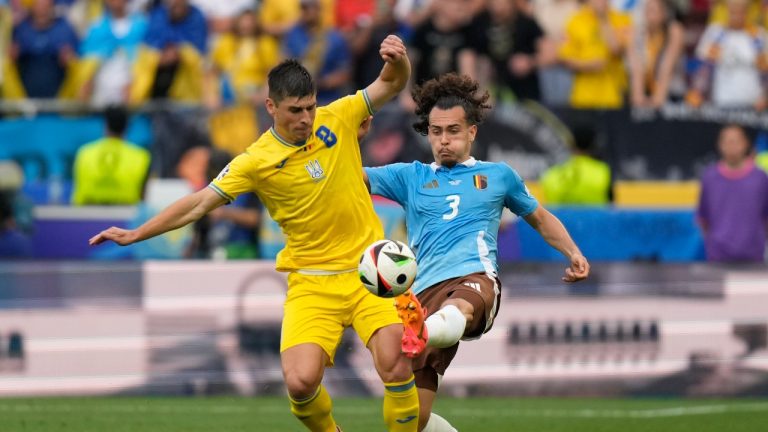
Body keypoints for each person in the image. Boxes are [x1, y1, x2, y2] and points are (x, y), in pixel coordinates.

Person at [90, 36, 422, 432]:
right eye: (295, 110)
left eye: (310, 108)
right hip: (312, 283)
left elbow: (390, 83)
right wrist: (136, 233)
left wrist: (397, 59)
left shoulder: (340, 116)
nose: (306, 118)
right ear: (271, 107)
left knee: (395, 363)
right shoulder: (255, 161)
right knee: (300, 384)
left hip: (369, 273)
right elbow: (198, 203)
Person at [363, 73, 590, 432]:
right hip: (421, 294)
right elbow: (351, 178)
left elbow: (541, 219)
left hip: (475, 278)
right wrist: (348, 137)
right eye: (436, 132)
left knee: (460, 309)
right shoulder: (410, 176)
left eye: (452, 131)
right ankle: (424, 329)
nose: (443, 140)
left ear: (472, 132)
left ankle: (424, 329)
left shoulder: (498, 176)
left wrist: (573, 253)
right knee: (412, 421)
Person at [697, 124, 768, 262]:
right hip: (718, 255)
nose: (732, 146)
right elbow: (703, 219)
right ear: (719, 144)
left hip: (753, 255)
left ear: (745, 144)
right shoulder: (709, 177)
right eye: (727, 141)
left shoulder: (760, 177)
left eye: (736, 141)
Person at [71, 105, 150, 205]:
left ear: (105, 125)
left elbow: (77, 187)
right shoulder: (141, 156)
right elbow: (143, 195)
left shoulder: (84, 152)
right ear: (127, 127)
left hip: (87, 213)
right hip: (125, 214)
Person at [540, 126, 611, 205]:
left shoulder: (551, 174)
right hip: (596, 217)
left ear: (571, 143)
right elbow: (611, 207)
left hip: (559, 217)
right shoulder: (603, 172)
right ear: (594, 146)